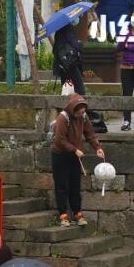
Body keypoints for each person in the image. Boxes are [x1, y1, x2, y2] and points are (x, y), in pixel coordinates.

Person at [50, 93, 105, 226]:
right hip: (60, 155)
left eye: (83, 111)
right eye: (79, 112)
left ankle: (77, 213)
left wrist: (97, 147)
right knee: (62, 185)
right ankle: (63, 215)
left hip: (75, 155)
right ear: (73, 109)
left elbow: (90, 133)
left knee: (75, 185)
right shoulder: (63, 118)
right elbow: (60, 140)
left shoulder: (83, 116)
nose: (81, 114)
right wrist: (74, 149)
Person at [52, 19, 86, 96]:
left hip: (62, 62)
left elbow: (54, 49)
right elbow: (74, 43)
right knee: (79, 86)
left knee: (65, 85)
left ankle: (66, 101)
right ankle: (81, 101)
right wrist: (79, 44)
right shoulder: (68, 27)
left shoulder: (59, 29)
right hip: (70, 61)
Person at [14, 0, 35, 81]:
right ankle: (26, 76)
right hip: (27, 23)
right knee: (25, 51)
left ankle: (25, 77)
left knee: (24, 50)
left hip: (24, 24)